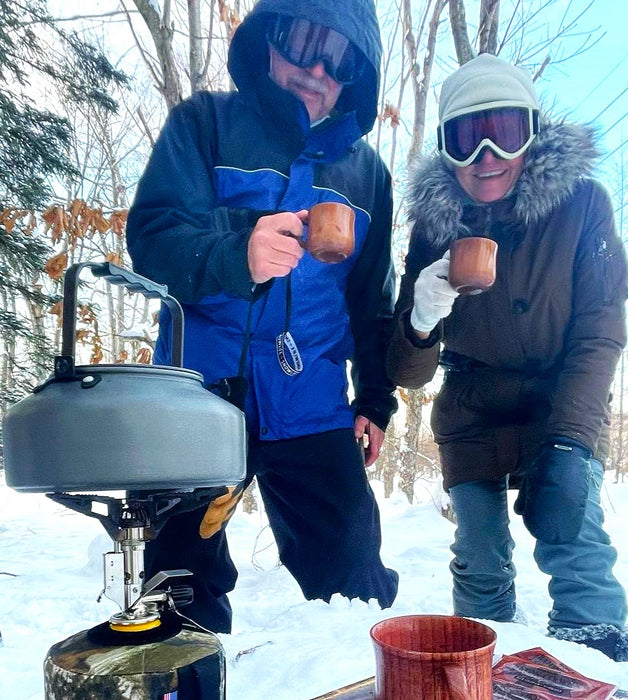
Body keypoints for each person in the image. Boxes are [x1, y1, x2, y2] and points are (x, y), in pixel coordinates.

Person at [126, 0, 399, 633]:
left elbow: (371, 300)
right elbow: (155, 236)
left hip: (313, 402)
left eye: (340, 57)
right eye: (304, 39)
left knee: (355, 581)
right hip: (200, 399)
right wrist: (234, 253)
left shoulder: (368, 176)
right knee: (178, 589)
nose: (317, 67)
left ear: (356, 74)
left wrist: (377, 398)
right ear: (271, 36)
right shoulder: (205, 124)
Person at [386, 53, 628, 662]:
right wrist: (422, 314)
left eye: (504, 133)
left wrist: (571, 443)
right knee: (478, 555)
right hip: (471, 410)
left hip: (559, 400)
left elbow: (600, 330)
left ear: (533, 132)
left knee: (573, 538)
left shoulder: (582, 205)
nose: (487, 158)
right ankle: (483, 663)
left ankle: (592, 658)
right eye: (466, 139)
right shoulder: (433, 226)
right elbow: (406, 373)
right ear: (447, 150)